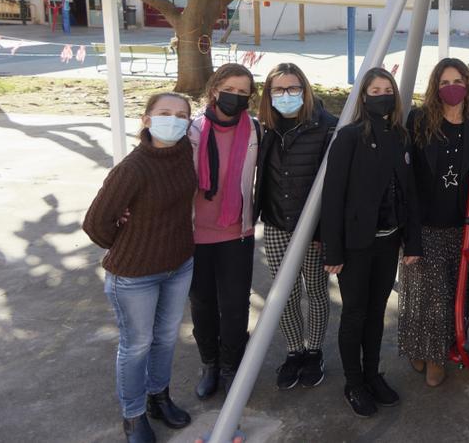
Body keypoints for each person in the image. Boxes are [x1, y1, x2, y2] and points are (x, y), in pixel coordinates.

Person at [83, 92, 197, 443]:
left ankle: (158, 397)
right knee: (137, 345)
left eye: (182, 114)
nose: (174, 120)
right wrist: (126, 238)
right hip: (135, 276)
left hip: (178, 265)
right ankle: (133, 417)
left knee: (164, 338)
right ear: (147, 119)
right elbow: (95, 223)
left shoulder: (184, 153)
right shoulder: (132, 168)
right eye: (165, 113)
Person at [320, 67, 422, 417]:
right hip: (355, 245)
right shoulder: (348, 137)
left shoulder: (401, 136)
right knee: (355, 313)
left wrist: (413, 242)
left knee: (376, 313)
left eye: (387, 89)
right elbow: (332, 197)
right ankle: (354, 383)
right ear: (363, 97)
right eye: (374, 90)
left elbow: (409, 193)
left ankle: (371, 373)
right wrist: (332, 249)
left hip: (388, 242)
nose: (382, 95)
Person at [400, 58, 469, 387]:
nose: (449, 87)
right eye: (442, 82)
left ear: (467, 84)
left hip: (458, 224)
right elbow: (407, 174)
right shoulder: (420, 119)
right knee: (421, 292)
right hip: (424, 221)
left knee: (448, 295)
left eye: (455, 80)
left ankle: (437, 354)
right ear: (435, 88)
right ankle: (419, 348)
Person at [254, 63, 338, 390]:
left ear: (305, 90)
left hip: (311, 230)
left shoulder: (327, 127)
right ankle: (294, 351)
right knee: (283, 294)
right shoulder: (265, 128)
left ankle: (314, 351)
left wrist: (325, 232)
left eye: (293, 88)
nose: (286, 95)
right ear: (269, 94)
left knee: (316, 292)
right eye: (279, 89)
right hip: (276, 223)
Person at [188, 63, 259, 400]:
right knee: (201, 303)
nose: (236, 96)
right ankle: (210, 364)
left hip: (236, 233)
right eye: (231, 89)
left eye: (244, 92)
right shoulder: (192, 130)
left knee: (234, 305)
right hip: (195, 236)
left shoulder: (255, 131)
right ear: (215, 89)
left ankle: (232, 366)